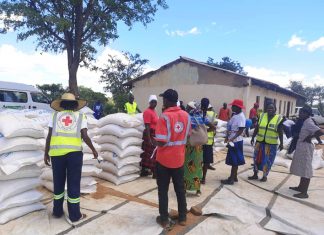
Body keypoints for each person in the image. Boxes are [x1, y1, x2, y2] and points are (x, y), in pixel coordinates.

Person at [44, 93, 98, 223]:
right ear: (75, 105)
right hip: (74, 155)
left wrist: (46, 153)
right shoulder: (80, 116)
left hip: (56, 154)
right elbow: (85, 136)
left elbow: (50, 136)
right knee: (73, 184)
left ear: (61, 104)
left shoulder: (55, 116)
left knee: (58, 183)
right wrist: (94, 150)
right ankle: (74, 215)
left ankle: (57, 212)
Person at [155, 89, 190, 228]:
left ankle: (164, 219)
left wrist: (154, 142)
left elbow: (162, 141)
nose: (162, 101)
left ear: (167, 101)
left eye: (163, 99)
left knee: (163, 190)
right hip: (179, 159)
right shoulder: (186, 116)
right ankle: (182, 217)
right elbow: (187, 136)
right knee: (180, 190)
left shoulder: (164, 117)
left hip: (164, 160)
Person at [289, 106, 324, 198]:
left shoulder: (308, 122)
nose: (300, 114)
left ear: (307, 114)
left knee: (306, 169)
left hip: (305, 147)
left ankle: (304, 192)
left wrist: (310, 137)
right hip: (302, 146)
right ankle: (300, 187)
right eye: (300, 112)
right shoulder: (305, 121)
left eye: (302, 112)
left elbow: (320, 131)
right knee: (302, 167)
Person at [184, 100, 214, 195]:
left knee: (187, 167)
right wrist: (205, 132)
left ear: (192, 109)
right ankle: (197, 189)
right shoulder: (202, 117)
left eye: (188, 107)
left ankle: (185, 188)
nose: (187, 109)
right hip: (199, 148)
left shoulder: (187, 117)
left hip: (189, 146)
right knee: (198, 168)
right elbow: (213, 127)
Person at [249, 103, 284, 182]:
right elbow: (257, 127)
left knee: (268, 160)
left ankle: (264, 176)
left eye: (272, 108)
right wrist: (253, 137)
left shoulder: (278, 119)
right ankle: (255, 174)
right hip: (260, 141)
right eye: (268, 108)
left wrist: (281, 143)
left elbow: (280, 132)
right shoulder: (262, 116)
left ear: (275, 109)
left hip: (271, 144)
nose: (270, 110)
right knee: (256, 158)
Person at [221, 99, 246, 185]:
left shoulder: (241, 117)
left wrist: (232, 138)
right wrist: (227, 137)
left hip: (236, 141)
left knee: (234, 161)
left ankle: (231, 179)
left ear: (238, 107)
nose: (231, 107)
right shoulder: (235, 115)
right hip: (232, 140)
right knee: (234, 159)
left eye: (233, 106)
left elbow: (241, 130)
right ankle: (234, 177)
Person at [140, 95, 158, 178]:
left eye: (155, 102)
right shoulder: (147, 112)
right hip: (149, 133)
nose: (154, 103)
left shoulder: (154, 111)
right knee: (152, 153)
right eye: (152, 102)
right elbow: (147, 125)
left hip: (154, 133)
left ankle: (144, 170)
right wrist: (149, 138)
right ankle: (154, 173)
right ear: (149, 102)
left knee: (149, 153)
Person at [202, 103, 217, 184]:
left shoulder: (201, 114)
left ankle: (199, 177)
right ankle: (203, 178)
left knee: (200, 160)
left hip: (200, 140)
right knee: (206, 161)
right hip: (209, 140)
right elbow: (214, 126)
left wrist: (204, 131)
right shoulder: (214, 114)